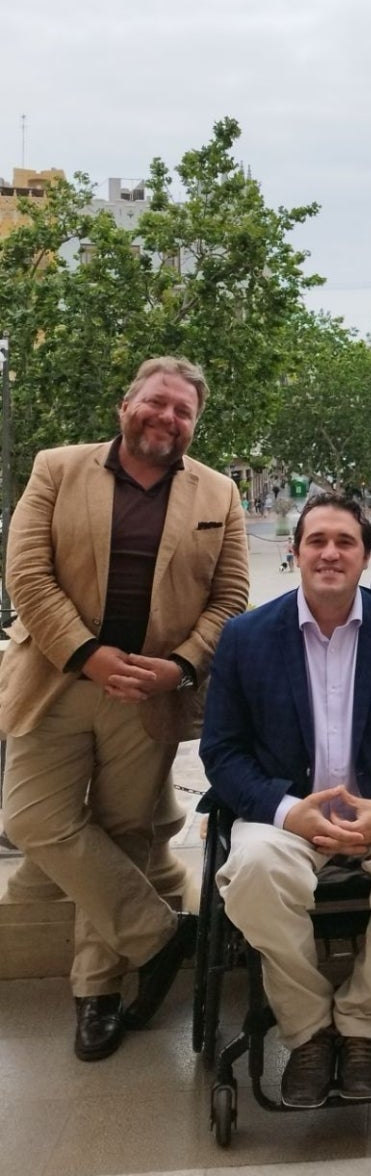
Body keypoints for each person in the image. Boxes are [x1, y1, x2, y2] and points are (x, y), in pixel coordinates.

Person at [0, 356, 249, 1061]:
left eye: (183, 411)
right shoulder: (57, 468)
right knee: (32, 818)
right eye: (157, 402)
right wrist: (88, 654)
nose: (167, 418)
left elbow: (230, 598)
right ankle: (162, 935)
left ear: (194, 425)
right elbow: (27, 575)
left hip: (150, 694)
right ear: (126, 404)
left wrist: (180, 666)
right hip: (56, 680)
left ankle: (97, 993)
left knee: (126, 831)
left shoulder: (219, 492)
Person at [200, 493, 371, 1107]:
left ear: (366, 555)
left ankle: (364, 1023)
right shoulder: (245, 637)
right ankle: (310, 1030)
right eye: (316, 540)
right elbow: (223, 751)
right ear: (295, 553)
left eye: (345, 541)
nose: (330, 553)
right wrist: (289, 811)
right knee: (254, 872)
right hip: (284, 811)